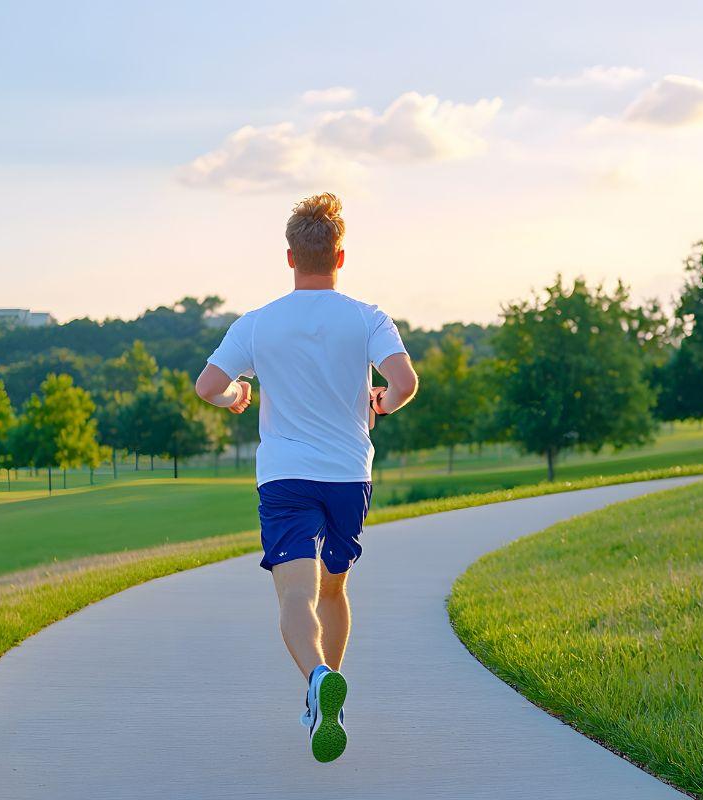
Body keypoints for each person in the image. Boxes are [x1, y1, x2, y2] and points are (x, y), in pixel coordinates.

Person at [194, 192, 419, 764]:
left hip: (285, 477)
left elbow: (205, 386)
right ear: (340, 257)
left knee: (297, 591)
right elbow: (405, 381)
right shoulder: (369, 317)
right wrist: (384, 402)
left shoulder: (258, 323)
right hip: (348, 475)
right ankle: (329, 697)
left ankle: (319, 679)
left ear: (290, 257)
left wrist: (234, 396)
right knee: (335, 588)